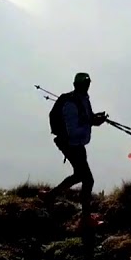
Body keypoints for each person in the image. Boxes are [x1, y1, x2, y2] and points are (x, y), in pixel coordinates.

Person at [44, 72, 108, 203]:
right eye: (84, 84)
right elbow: (72, 131)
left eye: (87, 84)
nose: (86, 86)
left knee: (79, 175)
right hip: (71, 144)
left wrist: (94, 118)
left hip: (77, 144)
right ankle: (85, 217)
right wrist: (91, 121)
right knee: (88, 180)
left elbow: (85, 117)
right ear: (76, 85)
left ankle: (50, 195)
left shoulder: (83, 100)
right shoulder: (71, 104)